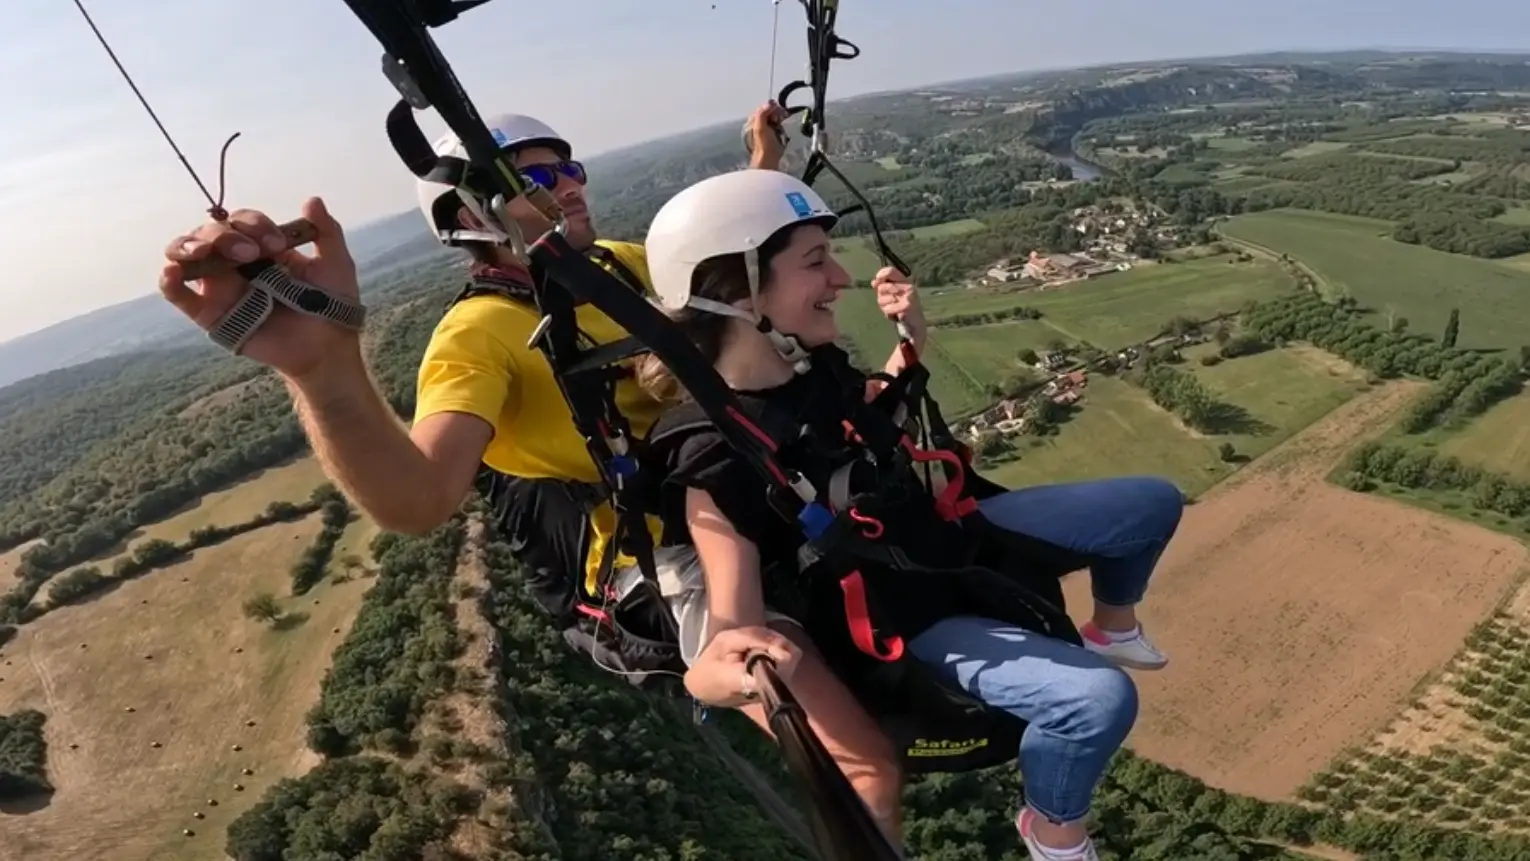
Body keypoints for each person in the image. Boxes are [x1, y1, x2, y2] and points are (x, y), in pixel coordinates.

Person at [631, 168, 1182, 861]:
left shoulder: (812, 369)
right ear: (738, 292)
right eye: (814, 262)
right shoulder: (711, 458)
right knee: (1097, 702)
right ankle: (1053, 830)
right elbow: (726, 634)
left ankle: (1112, 627)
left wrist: (911, 340)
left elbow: (863, 421)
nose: (839, 278)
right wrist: (730, 675)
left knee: (1152, 505)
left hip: (941, 539)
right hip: (906, 612)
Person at [158, 102, 789, 628]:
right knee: (797, 668)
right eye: (537, 180)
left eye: (568, 168)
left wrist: (764, 163)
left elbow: (730, 267)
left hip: (736, 482)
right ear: (470, 215)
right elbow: (420, 498)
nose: (570, 185)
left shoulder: (617, 263)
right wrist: (321, 370)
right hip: (651, 557)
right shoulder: (477, 336)